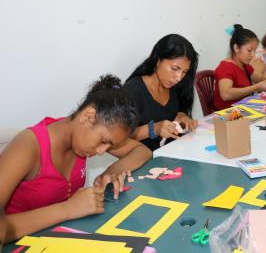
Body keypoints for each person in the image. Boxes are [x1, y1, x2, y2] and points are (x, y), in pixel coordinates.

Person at [0, 75, 152, 243]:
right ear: (88, 117)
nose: (102, 151)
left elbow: (141, 151)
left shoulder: (80, 143)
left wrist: (112, 172)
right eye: (103, 141)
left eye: (110, 146)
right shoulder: (28, 146)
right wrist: (68, 209)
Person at [124, 34, 199, 151]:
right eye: (175, 69)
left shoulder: (176, 85)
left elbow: (176, 111)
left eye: (184, 72)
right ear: (158, 60)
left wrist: (182, 116)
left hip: (174, 153)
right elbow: (119, 137)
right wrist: (154, 128)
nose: (179, 77)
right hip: (147, 160)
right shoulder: (133, 91)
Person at [213, 24, 266, 110]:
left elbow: (259, 77)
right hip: (227, 114)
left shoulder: (244, 65)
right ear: (236, 48)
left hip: (242, 109)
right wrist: (257, 87)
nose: (253, 55)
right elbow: (226, 95)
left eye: (254, 51)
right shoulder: (225, 67)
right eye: (249, 50)